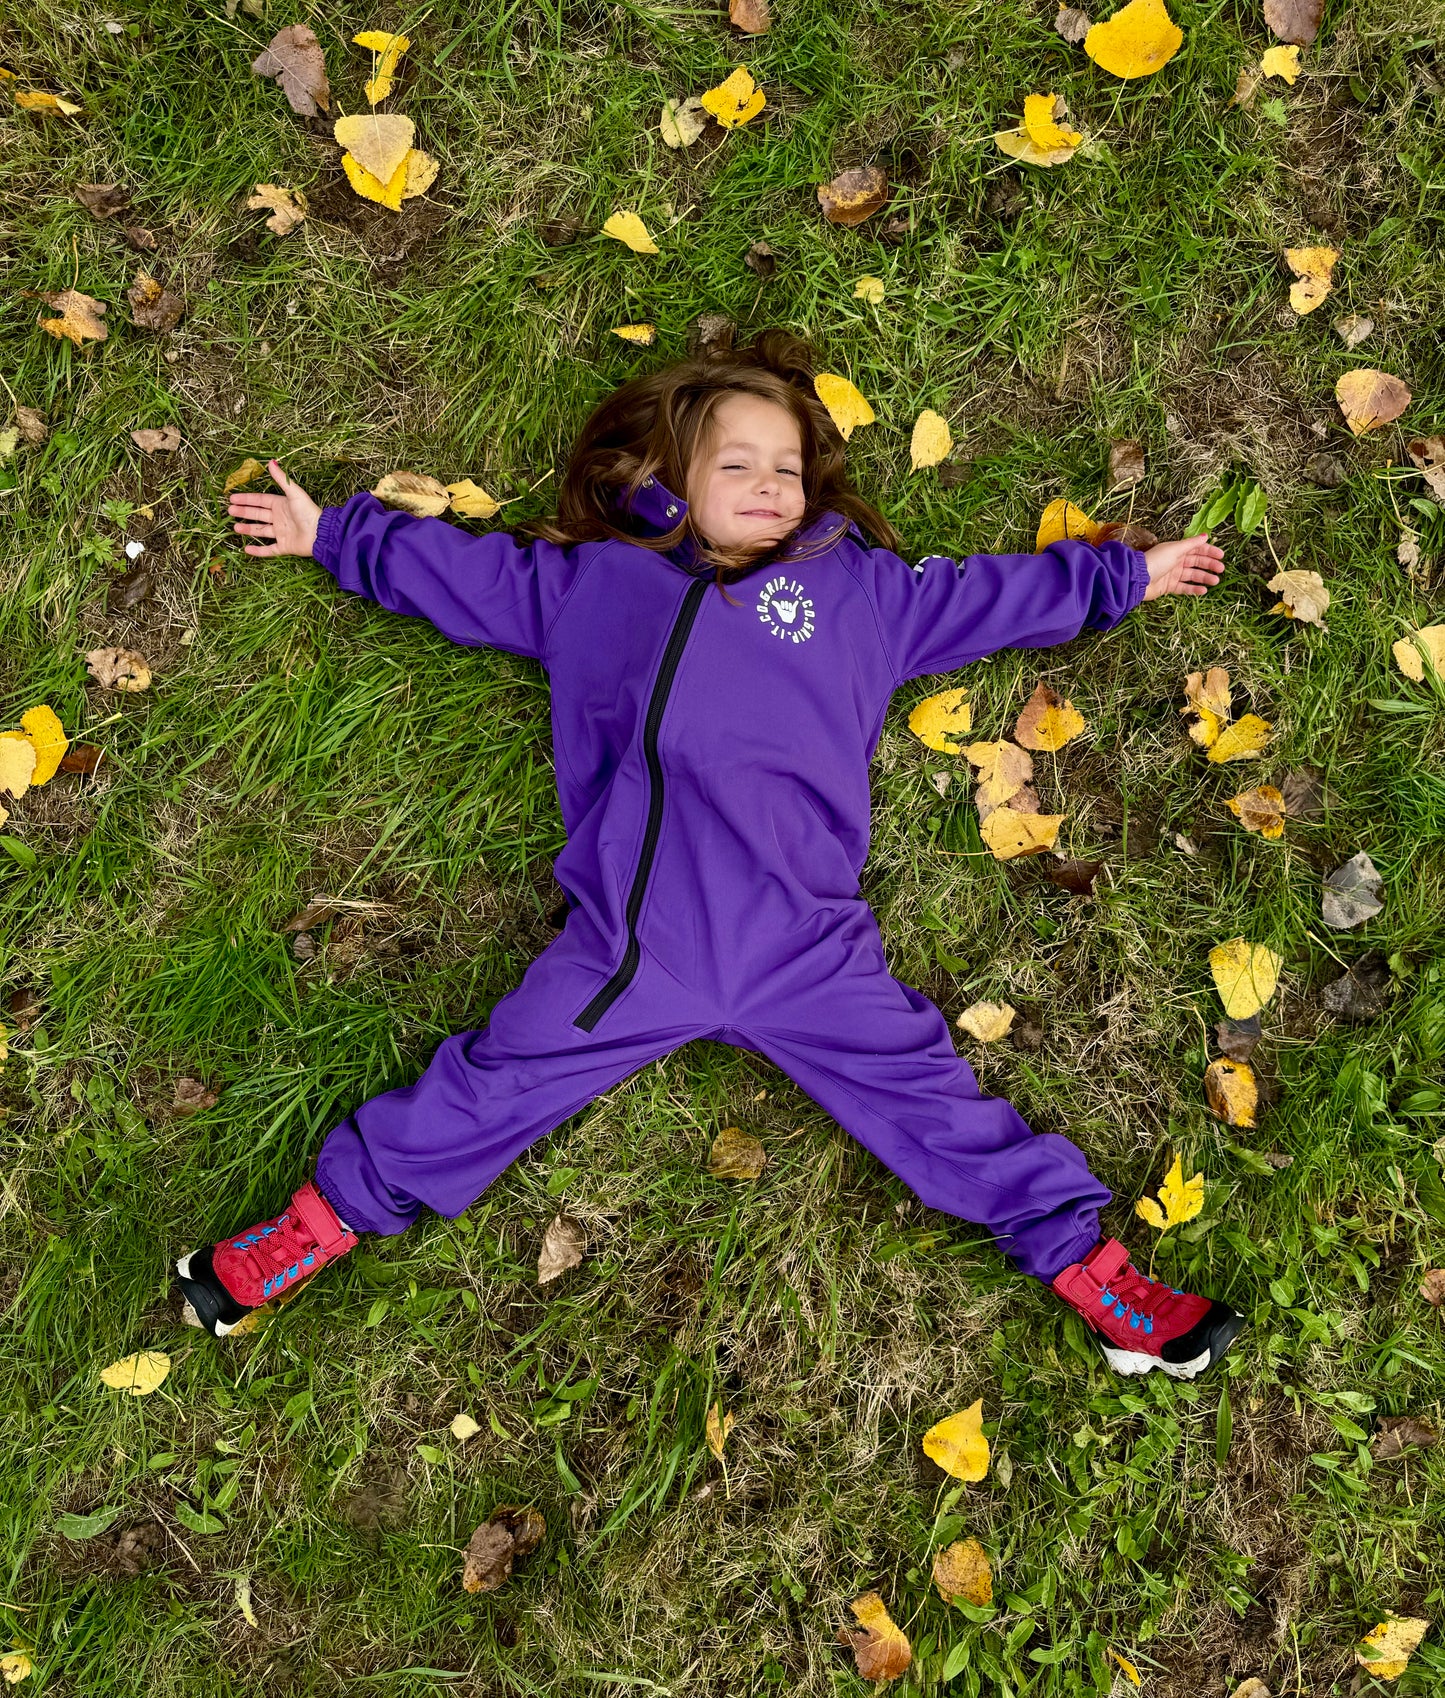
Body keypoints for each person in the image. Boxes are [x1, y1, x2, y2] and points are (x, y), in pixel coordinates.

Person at [176, 329, 1242, 1379]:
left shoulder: (861, 595)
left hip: (807, 946)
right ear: (668, 483)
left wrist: (1124, 576)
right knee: (494, 1083)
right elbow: (475, 578)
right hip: (634, 954)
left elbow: (992, 596)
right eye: (736, 464)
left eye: (787, 466)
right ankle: (317, 1226)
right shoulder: (600, 588)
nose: (771, 483)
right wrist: (335, 537)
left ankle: (1094, 1276)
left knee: (935, 1104)